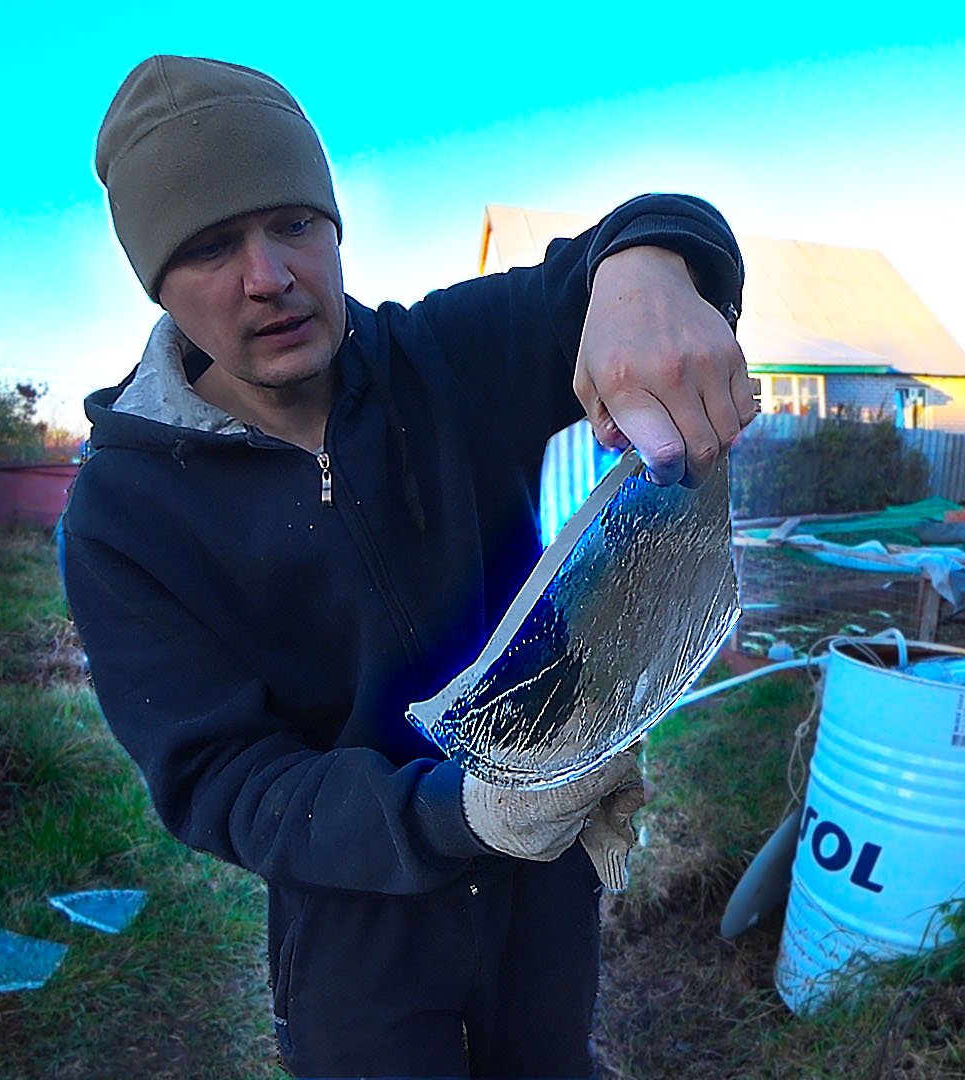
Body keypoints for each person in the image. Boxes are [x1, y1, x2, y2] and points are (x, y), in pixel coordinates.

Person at [61, 55, 752, 1078]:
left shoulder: (448, 359)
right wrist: (454, 811)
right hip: (355, 929)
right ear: (157, 282)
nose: (269, 275)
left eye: (293, 223)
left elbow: (642, 230)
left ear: (332, 228)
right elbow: (223, 780)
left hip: (547, 880)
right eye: (211, 246)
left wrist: (644, 277)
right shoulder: (123, 515)